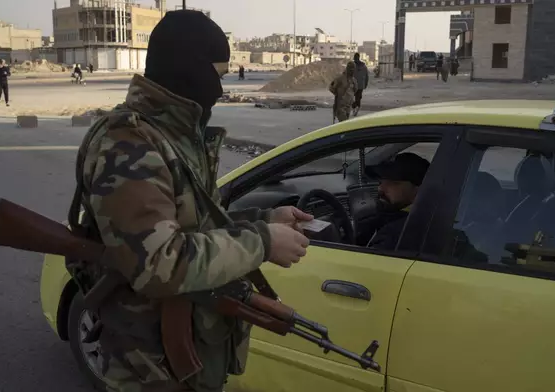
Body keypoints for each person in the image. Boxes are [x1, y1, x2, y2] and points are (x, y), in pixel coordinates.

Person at [72, 10, 313, 392]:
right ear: (189, 69)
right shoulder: (129, 143)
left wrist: (267, 218)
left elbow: (196, 222)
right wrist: (263, 243)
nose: (219, 88)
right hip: (148, 364)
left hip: (183, 347)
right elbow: (158, 263)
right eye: (217, 75)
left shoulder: (177, 134)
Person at [364, 152, 430, 250]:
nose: (380, 188)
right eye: (381, 181)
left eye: (393, 183)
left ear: (418, 190)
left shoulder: (394, 235)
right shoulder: (433, 218)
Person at [351, 53, 369, 117]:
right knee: (358, 98)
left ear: (354, 57)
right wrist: (366, 84)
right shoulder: (364, 66)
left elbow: (347, 75)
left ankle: (354, 107)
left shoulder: (352, 65)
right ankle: (356, 108)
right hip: (361, 85)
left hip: (353, 84)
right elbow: (367, 76)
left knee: (352, 97)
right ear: (359, 57)